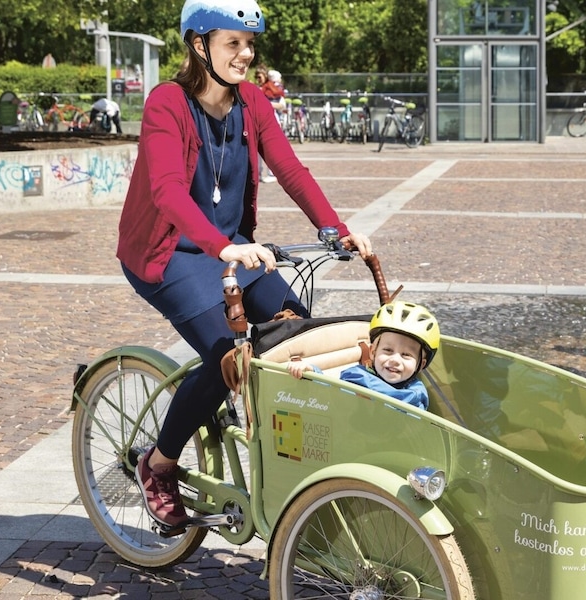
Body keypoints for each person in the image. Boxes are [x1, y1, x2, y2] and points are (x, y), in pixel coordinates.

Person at [117, 0, 372, 528]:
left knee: (296, 335)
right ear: (199, 44)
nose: (245, 53)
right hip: (168, 254)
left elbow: (291, 170)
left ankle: (295, 471)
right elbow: (166, 192)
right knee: (228, 359)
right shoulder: (167, 104)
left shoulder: (252, 102)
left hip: (231, 247)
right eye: (232, 42)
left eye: (249, 43)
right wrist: (221, 246)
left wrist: (337, 229)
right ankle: (159, 464)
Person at [287, 301, 439, 411]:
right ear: (373, 352)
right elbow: (333, 392)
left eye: (406, 355)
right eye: (387, 350)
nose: (394, 360)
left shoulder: (415, 393)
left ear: (421, 364)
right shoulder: (357, 376)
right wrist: (312, 372)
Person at [254, 64, 285, 183]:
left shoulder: (272, 88)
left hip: (271, 120)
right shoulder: (257, 88)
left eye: (260, 76)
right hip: (258, 121)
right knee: (257, 149)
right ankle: (258, 173)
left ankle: (272, 173)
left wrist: (266, 104)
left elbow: (281, 104)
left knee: (270, 148)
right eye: (257, 76)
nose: (258, 79)